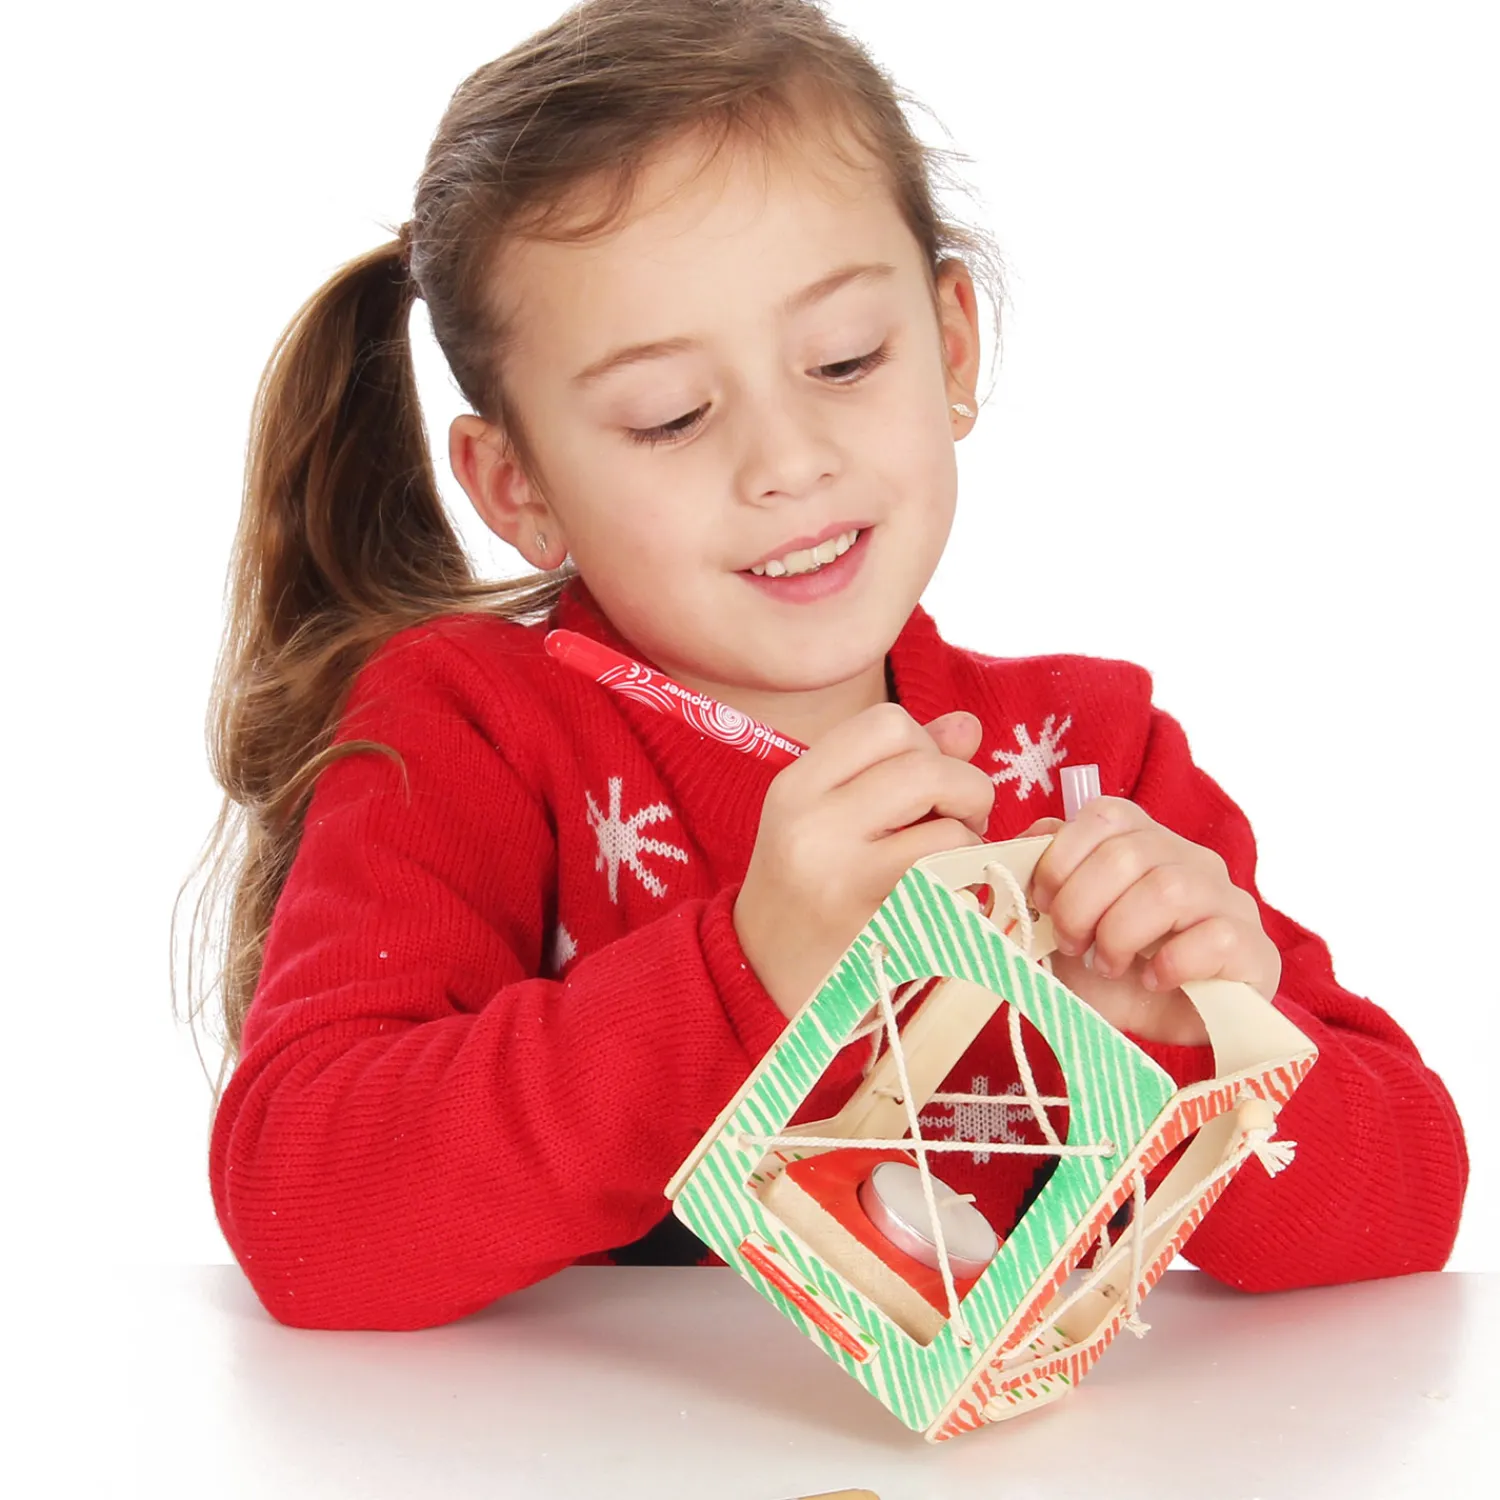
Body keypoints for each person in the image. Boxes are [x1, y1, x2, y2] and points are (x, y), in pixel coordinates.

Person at [194, 0, 1466, 1332]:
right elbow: (306, 1210)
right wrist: (746, 970)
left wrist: (1188, 1036)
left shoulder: (1093, 760)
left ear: (953, 346)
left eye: (846, 360)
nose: (788, 461)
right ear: (519, 487)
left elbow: (1411, 1206)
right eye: (669, 416)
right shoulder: (475, 728)